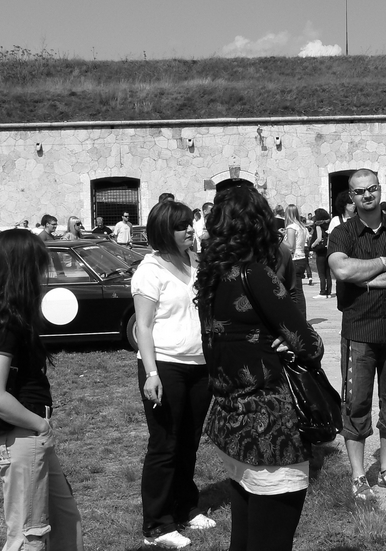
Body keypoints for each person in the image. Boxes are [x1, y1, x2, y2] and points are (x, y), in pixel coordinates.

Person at [196, 185, 324, 551]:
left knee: (245, 538)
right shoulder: (255, 275)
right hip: (270, 429)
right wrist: (291, 340)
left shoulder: (211, 276)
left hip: (231, 420)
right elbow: (311, 345)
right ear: (259, 224)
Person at [0, 229, 83, 551]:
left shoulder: (16, 318)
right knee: (29, 536)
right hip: (22, 436)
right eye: (39, 265)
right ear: (22, 268)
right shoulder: (5, 323)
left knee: (66, 522)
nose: (43, 273)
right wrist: (40, 425)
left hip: (30, 435)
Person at [328, 169, 386, 502]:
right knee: (355, 403)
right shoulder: (343, 233)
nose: (367, 195)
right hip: (359, 331)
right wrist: (384, 261)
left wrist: (367, 279)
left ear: (380, 190)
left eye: (373, 188)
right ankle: (358, 475)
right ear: (351, 196)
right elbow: (342, 269)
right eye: (360, 191)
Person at [132, 201, 213, 549]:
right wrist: (152, 373)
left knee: (189, 442)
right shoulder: (149, 270)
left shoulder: (196, 261)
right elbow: (143, 326)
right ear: (165, 231)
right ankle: (157, 525)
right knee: (165, 444)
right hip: (164, 366)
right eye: (182, 226)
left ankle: (185, 507)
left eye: (190, 223)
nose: (190, 229)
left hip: (199, 366)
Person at [283, 204, 309, 319]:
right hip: (302, 258)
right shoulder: (301, 226)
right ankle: (300, 316)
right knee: (298, 291)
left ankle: (300, 318)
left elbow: (290, 246)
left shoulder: (291, 227)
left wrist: (279, 238)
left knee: (295, 292)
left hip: (295, 259)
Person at [310, 208, 332, 299]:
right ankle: (328, 292)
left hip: (320, 251)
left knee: (321, 273)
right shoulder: (329, 224)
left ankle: (322, 292)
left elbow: (319, 238)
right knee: (328, 272)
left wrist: (312, 245)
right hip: (328, 250)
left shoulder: (318, 225)